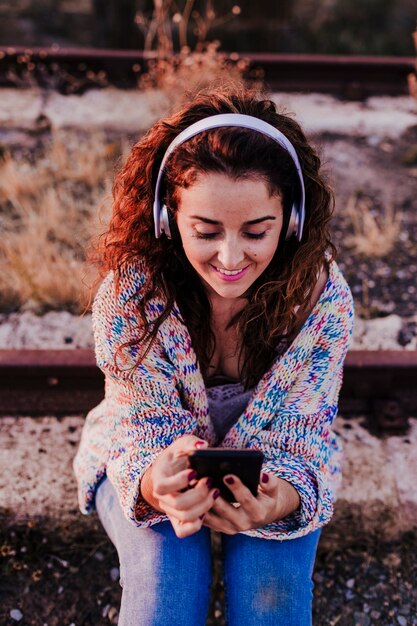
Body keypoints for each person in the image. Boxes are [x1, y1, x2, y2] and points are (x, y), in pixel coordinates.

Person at [73, 87, 354, 626]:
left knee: (272, 595)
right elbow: (140, 424)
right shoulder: (132, 297)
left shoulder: (321, 299)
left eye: (256, 231)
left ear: (291, 220)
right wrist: (157, 483)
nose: (230, 258)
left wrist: (280, 501)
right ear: (165, 217)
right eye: (205, 231)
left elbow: (303, 428)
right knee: (167, 586)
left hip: (278, 470)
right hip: (146, 461)